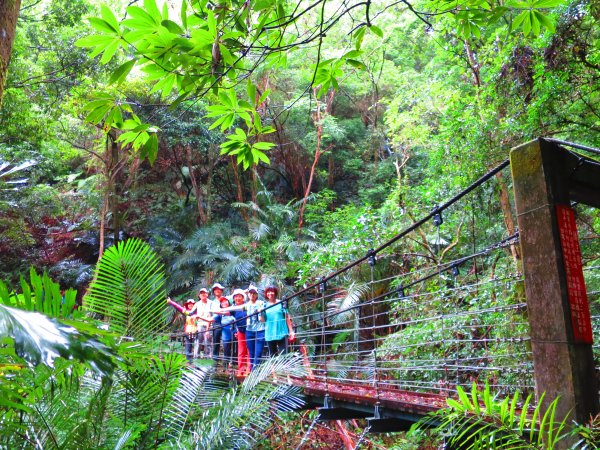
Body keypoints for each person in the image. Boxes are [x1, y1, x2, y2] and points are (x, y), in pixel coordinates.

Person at [263, 286, 295, 356]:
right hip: (270, 334)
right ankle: (274, 367)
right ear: (266, 294)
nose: (270, 293)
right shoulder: (264, 306)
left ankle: (285, 367)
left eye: (272, 291)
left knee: (284, 356)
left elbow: (287, 317)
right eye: (268, 292)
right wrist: (259, 313)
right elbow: (262, 320)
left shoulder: (281, 303)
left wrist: (291, 331)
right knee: (273, 357)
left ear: (275, 293)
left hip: (282, 332)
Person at [166, 297, 199, 363]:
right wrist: (171, 302)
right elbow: (178, 307)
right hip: (188, 332)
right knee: (188, 347)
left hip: (196, 332)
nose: (190, 305)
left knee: (197, 347)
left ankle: (196, 362)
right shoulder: (186, 312)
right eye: (189, 304)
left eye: (192, 304)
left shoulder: (198, 312)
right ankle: (188, 361)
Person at [230, 289, 250, 376]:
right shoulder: (234, 309)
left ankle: (249, 370)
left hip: (250, 330)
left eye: (239, 296)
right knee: (241, 351)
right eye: (236, 297)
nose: (237, 298)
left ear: (243, 298)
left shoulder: (247, 306)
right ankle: (240, 370)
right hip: (240, 332)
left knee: (249, 351)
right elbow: (224, 307)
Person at [194, 287, 215, 358]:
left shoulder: (211, 303)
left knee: (208, 344)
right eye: (201, 293)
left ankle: (208, 363)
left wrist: (207, 329)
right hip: (199, 325)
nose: (203, 294)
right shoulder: (197, 304)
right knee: (198, 344)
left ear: (207, 294)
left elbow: (211, 316)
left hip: (209, 325)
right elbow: (191, 313)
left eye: (204, 293)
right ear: (199, 295)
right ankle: (196, 361)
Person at [218, 296, 236, 370]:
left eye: (225, 301)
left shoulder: (233, 311)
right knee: (226, 351)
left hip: (234, 334)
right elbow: (212, 320)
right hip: (225, 335)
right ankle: (225, 367)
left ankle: (233, 366)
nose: (224, 303)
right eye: (222, 302)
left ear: (229, 302)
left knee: (234, 350)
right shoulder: (220, 314)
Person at [211, 282, 225, 362]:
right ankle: (215, 359)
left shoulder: (225, 299)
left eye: (219, 289)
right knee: (216, 340)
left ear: (221, 291)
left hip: (225, 322)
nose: (217, 291)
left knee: (227, 341)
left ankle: (228, 360)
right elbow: (211, 313)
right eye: (215, 289)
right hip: (216, 322)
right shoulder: (212, 302)